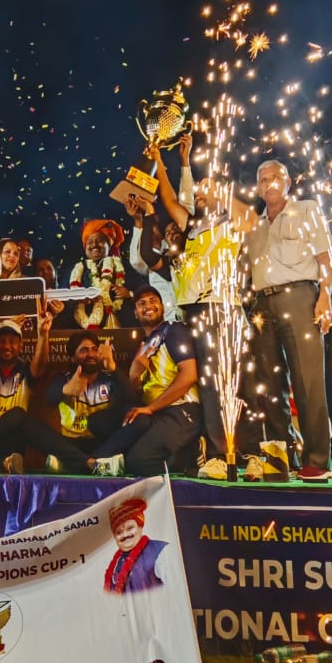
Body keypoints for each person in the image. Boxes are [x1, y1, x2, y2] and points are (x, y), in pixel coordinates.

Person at [146, 133, 252, 480]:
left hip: (220, 308)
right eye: (200, 190)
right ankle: (219, 452)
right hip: (194, 311)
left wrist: (220, 191)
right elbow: (169, 198)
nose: (200, 193)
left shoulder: (231, 222)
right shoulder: (192, 226)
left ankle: (233, 453)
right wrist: (160, 161)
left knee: (224, 382)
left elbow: (251, 220)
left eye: (207, 189)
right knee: (207, 384)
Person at [238, 158, 332, 481]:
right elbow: (243, 270)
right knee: (269, 384)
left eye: (276, 177)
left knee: (308, 381)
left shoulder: (306, 209)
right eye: (263, 180)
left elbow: (325, 258)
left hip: (300, 296)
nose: (270, 183)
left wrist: (325, 296)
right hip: (262, 304)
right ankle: (281, 457)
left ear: (289, 181)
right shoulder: (254, 227)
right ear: (258, 187)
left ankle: (317, 461)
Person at [0, 312, 84, 473]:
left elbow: (40, 363)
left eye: (12, 342)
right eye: (2, 341)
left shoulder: (25, 372)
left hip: (10, 445)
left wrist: (43, 333)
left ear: (21, 345)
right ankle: (1, 462)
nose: (7, 346)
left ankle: (0, 462)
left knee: (19, 416)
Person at [88, 286, 201, 477]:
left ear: (162, 307)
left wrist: (151, 408)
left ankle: (192, 454)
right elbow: (135, 395)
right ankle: (107, 460)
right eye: (141, 303)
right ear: (135, 312)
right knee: (99, 422)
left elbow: (189, 375)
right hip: (155, 413)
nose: (148, 306)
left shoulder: (174, 330)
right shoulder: (143, 344)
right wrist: (131, 374)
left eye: (153, 300)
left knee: (140, 461)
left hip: (181, 410)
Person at [43, 331, 130, 473]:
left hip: (102, 443)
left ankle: (71, 465)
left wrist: (113, 367)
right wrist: (66, 389)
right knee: (35, 428)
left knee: (137, 422)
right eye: (84, 350)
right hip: (72, 444)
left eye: (94, 349)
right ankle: (94, 465)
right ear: (72, 357)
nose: (90, 354)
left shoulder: (109, 378)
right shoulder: (64, 378)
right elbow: (49, 399)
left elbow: (130, 398)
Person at [68, 219, 129, 329]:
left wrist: (129, 293)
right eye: (90, 242)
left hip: (121, 326)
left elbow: (141, 287)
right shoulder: (77, 269)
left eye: (100, 241)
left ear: (109, 244)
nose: (95, 245)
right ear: (85, 246)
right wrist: (78, 297)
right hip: (84, 330)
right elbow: (65, 297)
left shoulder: (122, 265)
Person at [102, 497, 169, 594]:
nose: (125, 535)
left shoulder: (162, 550)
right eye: (119, 532)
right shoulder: (115, 562)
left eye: (130, 528)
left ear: (140, 526)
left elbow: (175, 588)